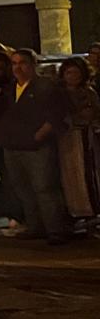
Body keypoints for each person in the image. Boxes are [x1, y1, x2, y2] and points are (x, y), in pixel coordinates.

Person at [0, 49, 68, 245]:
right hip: (13, 145)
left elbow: (55, 116)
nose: (18, 67)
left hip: (37, 147)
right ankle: (35, 226)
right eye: (14, 63)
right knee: (23, 188)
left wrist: (38, 136)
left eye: (23, 63)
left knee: (44, 188)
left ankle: (55, 230)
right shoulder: (10, 89)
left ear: (33, 64)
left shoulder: (46, 87)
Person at [57, 56, 99, 231]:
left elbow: (92, 114)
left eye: (75, 72)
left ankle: (88, 211)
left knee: (84, 172)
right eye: (68, 72)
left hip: (82, 136)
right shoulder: (58, 94)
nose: (72, 76)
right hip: (62, 138)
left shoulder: (88, 93)